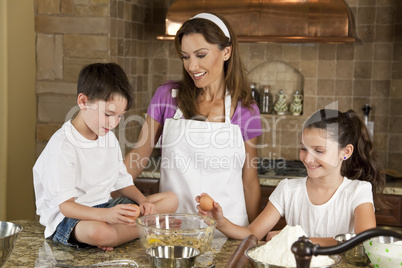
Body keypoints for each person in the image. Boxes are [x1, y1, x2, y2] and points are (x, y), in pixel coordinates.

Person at [124, 13, 263, 227]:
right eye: (186, 56)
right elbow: (138, 156)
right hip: (173, 229)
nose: (192, 66)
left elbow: (250, 182)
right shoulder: (166, 96)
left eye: (200, 55)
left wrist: (252, 237)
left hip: (228, 231)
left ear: (226, 52)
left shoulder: (245, 109)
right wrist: (105, 193)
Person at [33, 63, 178, 251]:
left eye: (120, 116)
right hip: (71, 219)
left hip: (106, 206)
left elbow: (122, 180)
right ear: (83, 102)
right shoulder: (63, 146)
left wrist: (142, 201)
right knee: (100, 232)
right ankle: (148, 228)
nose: (114, 123)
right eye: (109, 114)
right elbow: (66, 207)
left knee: (171, 199)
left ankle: (124, 231)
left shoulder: (107, 137)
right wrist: (106, 216)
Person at [196, 109, 386, 246]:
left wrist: (297, 241)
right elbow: (252, 233)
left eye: (319, 151)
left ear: (345, 152)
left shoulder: (358, 191)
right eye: (304, 148)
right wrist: (220, 222)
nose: (308, 158)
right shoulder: (288, 189)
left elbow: (363, 241)